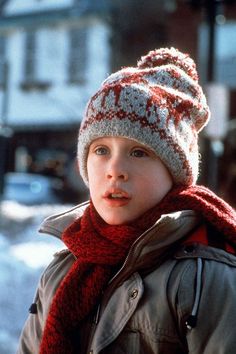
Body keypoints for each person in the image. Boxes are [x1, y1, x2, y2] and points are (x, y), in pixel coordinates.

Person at [17, 47, 236, 354]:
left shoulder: (205, 276)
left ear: (175, 172)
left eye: (139, 152)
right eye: (101, 150)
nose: (115, 171)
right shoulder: (63, 271)